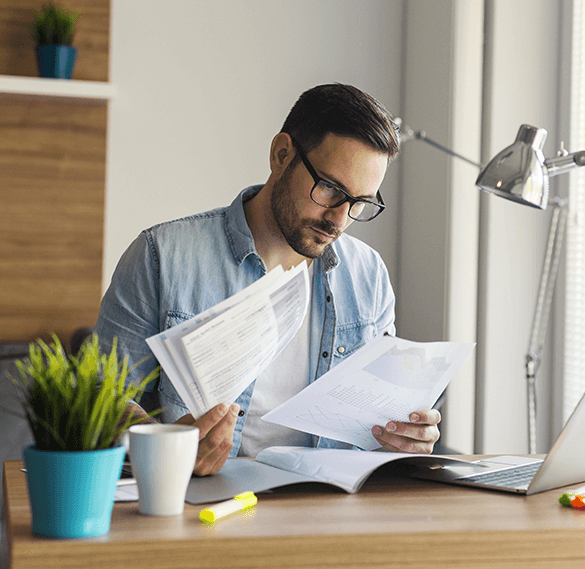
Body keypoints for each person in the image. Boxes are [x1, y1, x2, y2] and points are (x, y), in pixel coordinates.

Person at [94, 83, 441, 475]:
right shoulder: (163, 256)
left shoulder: (369, 276)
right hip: (205, 506)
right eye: (329, 189)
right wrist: (166, 447)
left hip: (330, 510)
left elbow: (378, 418)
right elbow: (100, 399)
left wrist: (405, 435)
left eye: (360, 203)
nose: (340, 220)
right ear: (281, 154)